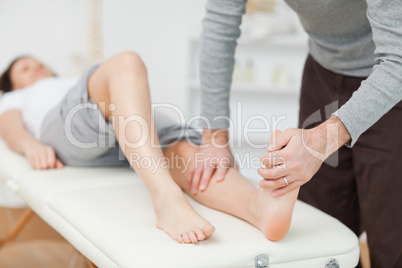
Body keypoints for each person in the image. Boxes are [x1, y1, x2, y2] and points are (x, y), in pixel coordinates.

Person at [0, 53, 299, 244]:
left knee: (184, 151)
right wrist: (29, 146)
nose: (37, 67)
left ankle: (259, 209)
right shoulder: (22, 96)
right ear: (12, 85)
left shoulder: (66, 80)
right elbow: (9, 125)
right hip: (74, 127)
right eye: (25, 68)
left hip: (127, 128)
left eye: (39, 63)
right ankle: (166, 198)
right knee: (127, 62)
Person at [193, 0, 402, 267]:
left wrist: (319, 142)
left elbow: (398, 58)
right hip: (324, 71)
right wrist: (214, 137)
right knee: (323, 240)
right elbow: (220, 24)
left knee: (392, 239)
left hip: (392, 79)